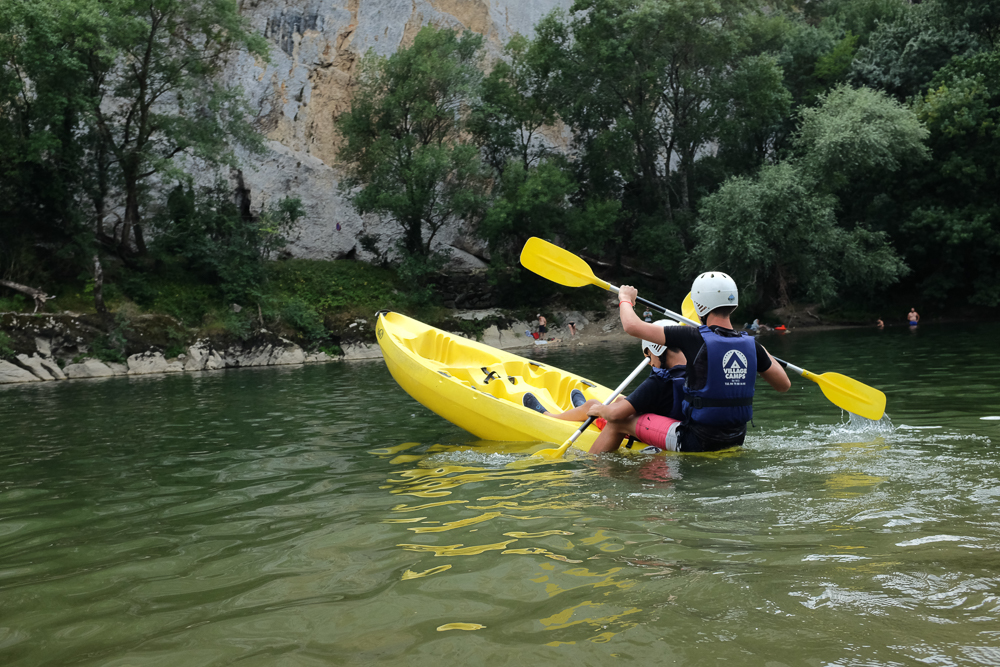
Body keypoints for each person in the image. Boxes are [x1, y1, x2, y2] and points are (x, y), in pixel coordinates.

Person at [599, 272, 791, 453]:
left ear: (699, 305)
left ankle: (595, 470)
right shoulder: (752, 346)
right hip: (736, 439)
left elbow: (632, 326)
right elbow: (784, 385)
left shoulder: (691, 337)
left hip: (694, 442)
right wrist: (755, 347)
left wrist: (625, 298)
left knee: (619, 421)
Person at [522, 321, 688, 453]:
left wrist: (600, 410)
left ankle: (551, 416)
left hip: (650, 432)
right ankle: (581, 410)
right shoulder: (693, 372)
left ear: (656, 349)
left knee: (592, 404)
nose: (651, 363)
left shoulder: (659, 382)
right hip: (673, 424)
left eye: (649, 356)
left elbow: (615, 414)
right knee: (620, 399)